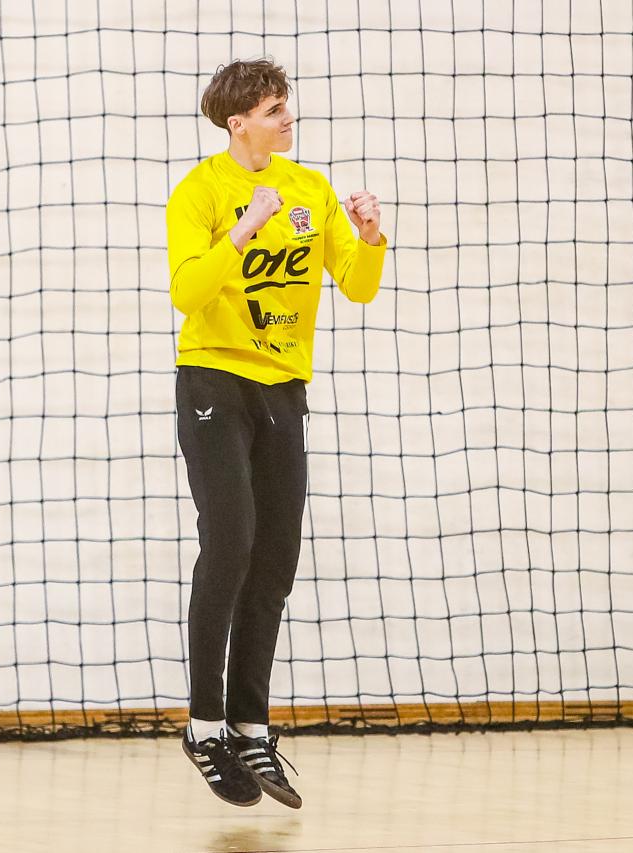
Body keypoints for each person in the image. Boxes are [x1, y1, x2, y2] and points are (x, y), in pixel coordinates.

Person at [165, 58, 388, 808]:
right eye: (272, 109)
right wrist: (244, 229)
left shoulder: (310, 188)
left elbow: (356, 285)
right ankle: (204, 725)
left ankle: (250, 725)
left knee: (276, 560)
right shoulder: (200, 192)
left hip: (283, 389)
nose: (287, 118)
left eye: (285, 105)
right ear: (238, 124)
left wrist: (369, 236)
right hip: (213, 382)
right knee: (230, 542)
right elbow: (186, 292)